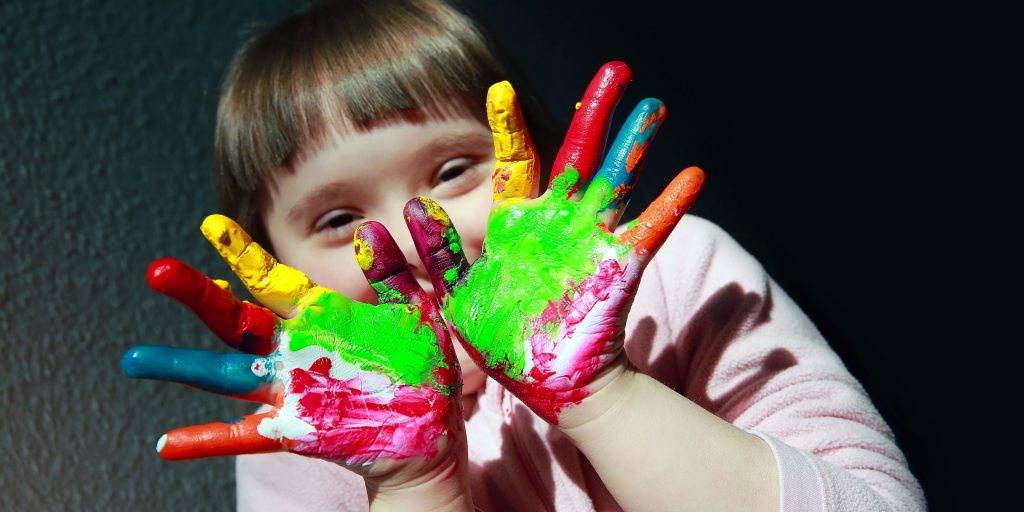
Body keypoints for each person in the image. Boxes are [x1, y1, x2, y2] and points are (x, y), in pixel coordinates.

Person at [122, 0, 927, 510]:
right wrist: (410, 482)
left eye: (450, 171)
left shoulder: (677, 277)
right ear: (273, 266)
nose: (407, 236)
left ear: (531, 163)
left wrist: (603, 396)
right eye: (337, 219)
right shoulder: (319, 422)